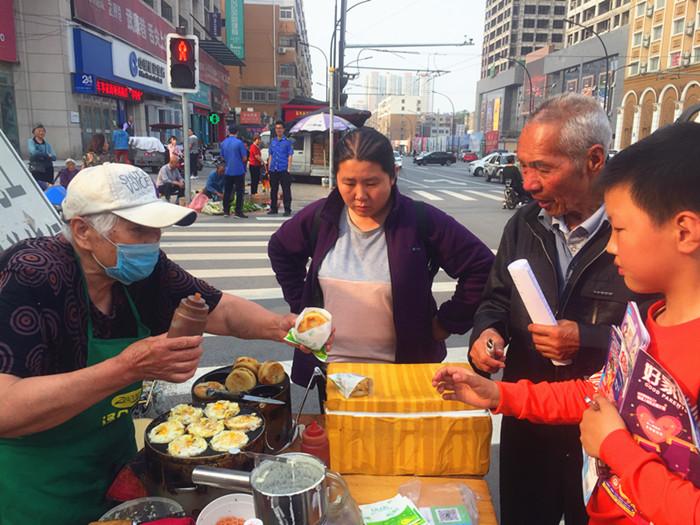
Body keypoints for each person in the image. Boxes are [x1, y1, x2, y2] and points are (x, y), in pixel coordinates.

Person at [0, 162, 300, 524]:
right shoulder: (30, 276)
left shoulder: (142, 272)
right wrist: (127, 367)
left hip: (115, 470)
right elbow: (6, 409)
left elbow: (218, 309)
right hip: (39, 489)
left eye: (156, 231)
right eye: (139, 230)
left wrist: (282, 327)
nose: (152, 243)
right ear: (82, 231)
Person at [434, 122, 700, 525]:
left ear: (684, 231)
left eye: (622, 229)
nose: (611, 245)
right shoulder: (650, 321)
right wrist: (497, 394)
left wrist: (614, 447)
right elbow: (596, 394)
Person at [467, 93, 653, 525]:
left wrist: (584, 339)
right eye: (524, 165)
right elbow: (496, 298)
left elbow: (655, 337)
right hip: (527, 415)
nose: (528, 183)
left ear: (593, 159)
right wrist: (487, 334)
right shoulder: (525, 223)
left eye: (543, 168)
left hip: (605, 430)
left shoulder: (638, 231)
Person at [268, 126, 495, 387]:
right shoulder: (321, 217)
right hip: (332, 373)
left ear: (393, 176)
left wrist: (446, 322)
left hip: (403, 375)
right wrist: (302, 305)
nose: (360, 195)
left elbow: (482, 267)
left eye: (372, 183)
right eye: (349, 183)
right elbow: (280, 249)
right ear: (336, 178)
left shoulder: (420, 220)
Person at [220, 125, 248, 218]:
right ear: (237, 132)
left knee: (227, 191)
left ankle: (226, 211)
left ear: (229, 132)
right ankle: (238, 212)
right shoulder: (239, 143)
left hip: (228, 170)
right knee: (239, 191)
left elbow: (222, 157)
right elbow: (244, 158)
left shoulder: (223, 143)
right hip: (238, 170)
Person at [267, 120, 294, 216]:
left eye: (280, 128)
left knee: (286, 190)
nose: (278, 130)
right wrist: (269, 168)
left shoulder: (287, 142)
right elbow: (270, 155)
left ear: (283, 130)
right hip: (273, 169)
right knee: (273, 190)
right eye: (277, 128)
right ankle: (273, 208)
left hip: (283, 169)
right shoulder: (273, 142)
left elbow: (290, 155)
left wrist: (289, 169)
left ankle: (287, 209)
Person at [27, 123, 56, 189]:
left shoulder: (47, 144)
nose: (41, 132)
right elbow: (34, 152)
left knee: (48, 189)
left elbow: (54, 157)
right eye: (39, 131)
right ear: (34, 132)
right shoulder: (31, 142)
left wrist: (42, 155)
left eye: (43, 131)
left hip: (48, 169)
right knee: (38, 188)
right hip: (37, 169)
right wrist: (47, 155)